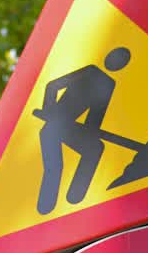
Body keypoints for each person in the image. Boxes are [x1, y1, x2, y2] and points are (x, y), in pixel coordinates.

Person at [33, 47, 131, 215]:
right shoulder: (90, 71)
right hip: (53, 127)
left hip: (69, 129)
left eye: (122, 60)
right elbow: (53, 86)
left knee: (95, 148)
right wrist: (49, 110)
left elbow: (94, 120)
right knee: (55, 167)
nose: (117, 61)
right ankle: (45, 209)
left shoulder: (109, 84)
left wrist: (90, 132)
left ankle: (76, 198)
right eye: (117, 56)